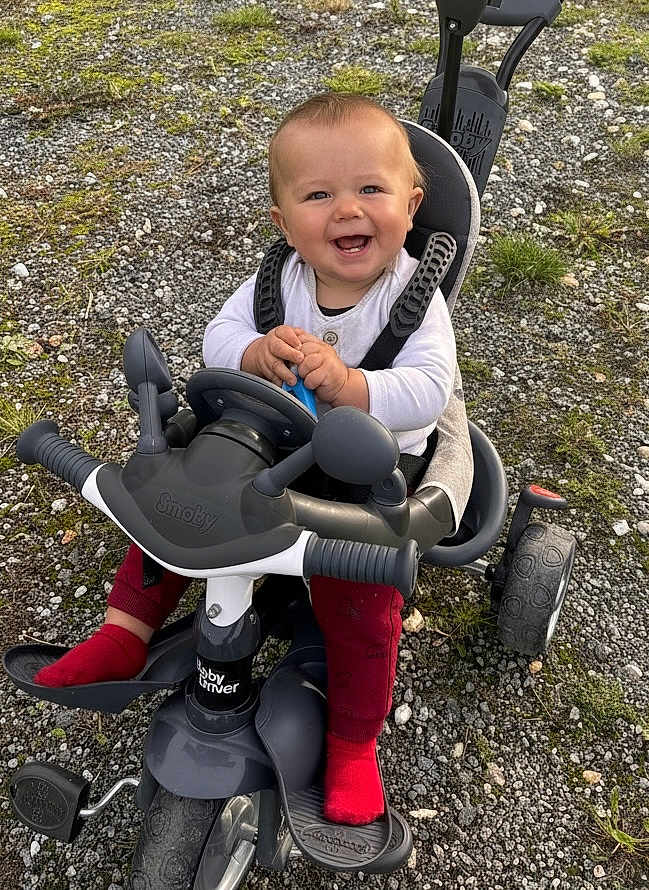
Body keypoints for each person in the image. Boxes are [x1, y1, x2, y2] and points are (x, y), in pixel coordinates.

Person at [35, 93, 457, 827]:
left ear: (410, 204)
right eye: (318, 195)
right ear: (284, 222)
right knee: (173, 502)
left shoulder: (412, 299)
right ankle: (123, 632)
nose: (346, 211)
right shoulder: (278, 281)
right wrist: (253, 350)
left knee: (362, 608)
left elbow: (428, 393)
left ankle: (353, 740)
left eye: (370, 189)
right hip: (266, 449)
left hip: (364, 478)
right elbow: (217, 340)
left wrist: (353, 386)